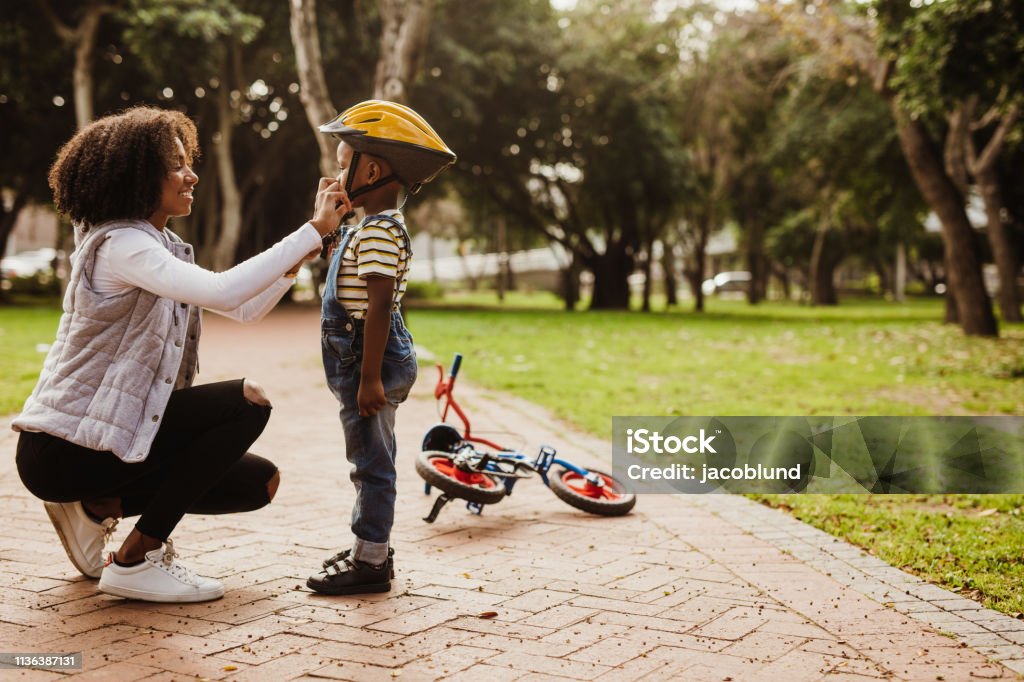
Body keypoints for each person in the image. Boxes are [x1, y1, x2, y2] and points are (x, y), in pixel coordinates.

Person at [12, 106, 351, 603]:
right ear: (137, 175)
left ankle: (96, 506)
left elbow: (244, 308)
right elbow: (224, 291)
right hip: (61, 448)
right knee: (247, 402)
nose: (191, 174)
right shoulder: (122, 245)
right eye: (176, 165)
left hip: (104, 441)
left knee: (258, 483)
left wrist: (303, 250)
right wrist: (312, 230)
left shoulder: (159, 245)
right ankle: (135, 559)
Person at [306, 100, 455, 595]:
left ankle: (370, 561)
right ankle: (367, 549)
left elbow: (377, 308)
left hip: (369, 360)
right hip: (363, 359)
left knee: (371, 464)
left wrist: (369, 378)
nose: (336, 171)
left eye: (343, 162)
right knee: (371, 457)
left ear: (371, 169)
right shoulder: (367, 227)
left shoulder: (380, 231)